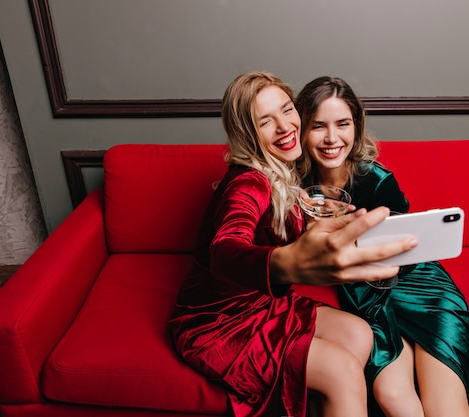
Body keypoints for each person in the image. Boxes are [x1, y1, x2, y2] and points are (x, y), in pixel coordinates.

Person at [169, 72, 419, 417]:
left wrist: (318, 223)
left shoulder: (285, 174)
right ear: (247, 133)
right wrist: (285, 263)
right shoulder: (248, 183)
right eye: (265, 121)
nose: (285, 127)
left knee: (361, 333)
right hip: (218, 322)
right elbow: (224, 249)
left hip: (265, 303)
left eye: (287, 110)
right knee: (341, 371)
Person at [295, 76, 469, 417]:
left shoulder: (376, 179)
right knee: (391, 393)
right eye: (318, 126)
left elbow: (402, 242)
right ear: (301, 130)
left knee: (446, 407)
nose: (332, 138)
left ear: (356, 127)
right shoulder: (295, 187)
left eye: (343, 124)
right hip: (367, 294)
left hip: (419, 285)